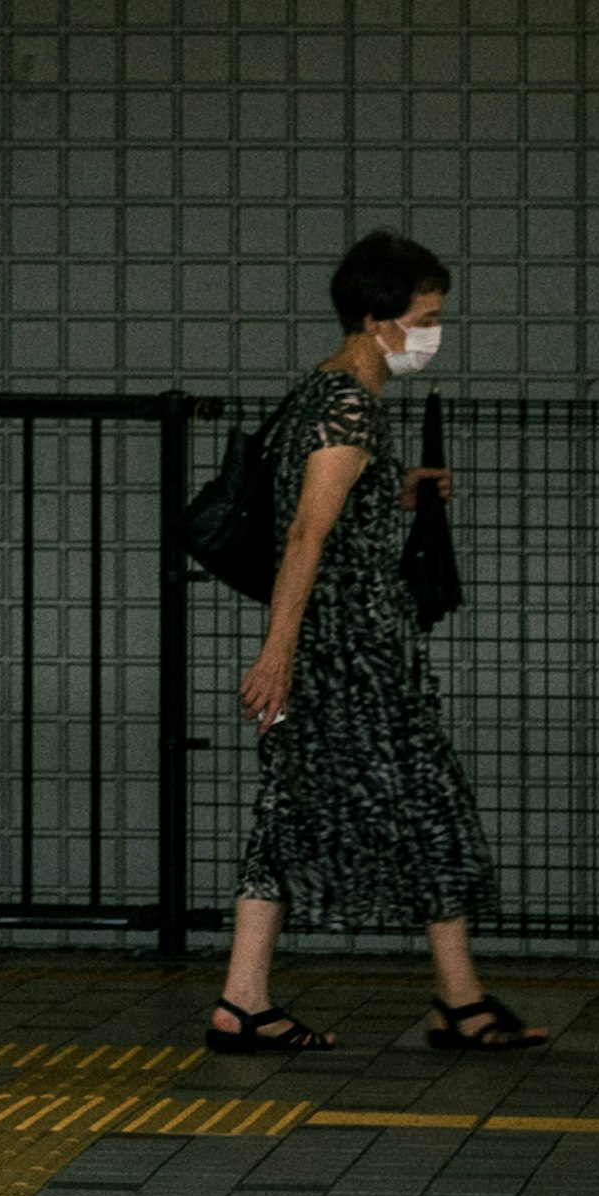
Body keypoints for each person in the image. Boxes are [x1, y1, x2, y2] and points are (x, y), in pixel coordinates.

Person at [208, 227, 534, 1061]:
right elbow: (305, 535)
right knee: (425, 804)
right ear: (373, 317)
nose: (432, 332)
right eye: (423, 316)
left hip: (342, 647)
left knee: (295, 808)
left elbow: (329, 506)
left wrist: (401, 487)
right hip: (352, 654)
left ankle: (245, 1001)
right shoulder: (349, 405)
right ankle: (458, 1002)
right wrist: (276, 652)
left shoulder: (323, 392)